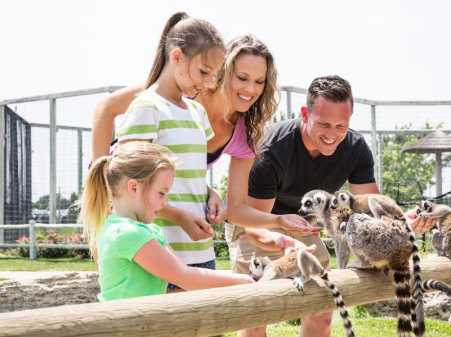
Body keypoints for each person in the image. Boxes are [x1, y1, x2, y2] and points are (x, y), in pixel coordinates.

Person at [91, 33, 318, 281]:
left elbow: (234, 206)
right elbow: (106, 108)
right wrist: (105, 179)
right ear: (222, 70)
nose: (250, 89)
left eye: (259, 81)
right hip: (140, 210)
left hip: (184, 230)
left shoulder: (244, 131)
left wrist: (211, 193)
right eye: (241, 78)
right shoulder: (182, 91)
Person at [233, 75, 433, 337]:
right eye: (324, 124)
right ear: (305, 113)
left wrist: (403, 222)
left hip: (304, 226)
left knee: (322, 308)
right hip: (257, 221)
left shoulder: (355, 148)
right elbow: (252, 224)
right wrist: (283, 242)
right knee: (258, 314)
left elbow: (372, 207)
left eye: (341, 126)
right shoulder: (272, 150)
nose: (332, 135)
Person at [113, 12, 227, 291]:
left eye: (214, 75)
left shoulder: (197, 111)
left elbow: (191, 173)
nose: (208, 82)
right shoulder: (146, 108)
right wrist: (179, 216)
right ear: (176, 56)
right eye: (203, 71)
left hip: (202, 252)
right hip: (163, 256)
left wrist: (210, 193)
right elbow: (129, 186)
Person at [80, 141, 253, 301]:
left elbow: (167, 286)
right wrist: (245, 281)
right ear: (134, 187)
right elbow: (185, 277)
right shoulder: (128, 234)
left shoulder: (145, 230)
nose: (164, 203)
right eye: (161, 193)